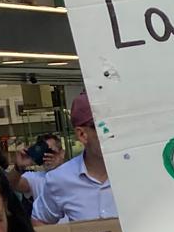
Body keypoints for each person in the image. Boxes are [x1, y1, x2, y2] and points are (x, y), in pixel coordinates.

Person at [31, 93, 117, 224]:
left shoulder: (138, 169)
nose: (114, 132)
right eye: (105, 125)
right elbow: (39, 221)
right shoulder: (60, 179)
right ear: (82, 135)